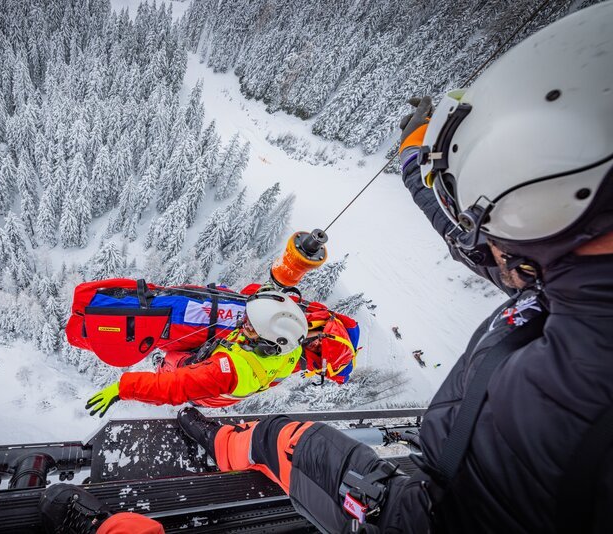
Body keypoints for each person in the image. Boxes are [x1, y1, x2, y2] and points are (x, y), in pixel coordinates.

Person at [174, 4, 613, 533]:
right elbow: (472, 242)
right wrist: (413, 164)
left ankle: (223, 446)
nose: (482, 237)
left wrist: (281, 444)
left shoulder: (570, 382)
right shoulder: (562, 280)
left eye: (485, 210)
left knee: (285, 440)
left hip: (427, 491)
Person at [85, 290, 308, 416]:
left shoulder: (226, 371)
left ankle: (161, 364)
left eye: (250, 326)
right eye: (246, 318)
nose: (242, 324)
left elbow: (173, 386)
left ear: (267, 343)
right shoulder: (291, 349)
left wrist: (123, 388)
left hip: (208, 393)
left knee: (173, 361)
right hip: (231, 376)